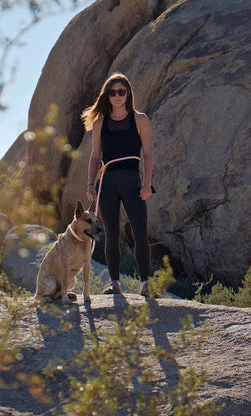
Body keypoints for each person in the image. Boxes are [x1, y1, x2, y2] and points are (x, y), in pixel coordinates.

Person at [81, 72, 153, 296]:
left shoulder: (140, 119)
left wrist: (147, 185)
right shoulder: (100, 123)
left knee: (140, 231)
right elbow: (94, 156)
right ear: (108, 96)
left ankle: (146, 284)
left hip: (133, 181)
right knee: (110, 233)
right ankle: (114, 283)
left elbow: (149, 155)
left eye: (122, 92)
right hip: (108, 182)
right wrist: (91, 184)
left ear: (128, 93)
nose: (118, 96)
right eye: (113, 92)